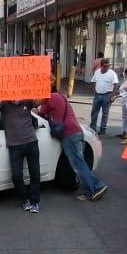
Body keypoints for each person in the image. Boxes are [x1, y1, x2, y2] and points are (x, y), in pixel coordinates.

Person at [37, 71, 109, 202]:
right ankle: (91, 190)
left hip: (69, 135)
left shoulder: (49, 98)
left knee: (78, 164)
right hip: (77, 131)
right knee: (79, 163)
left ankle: (97, 186)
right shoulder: (61, 96)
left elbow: (40, 114)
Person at [0, 92, 41, 213]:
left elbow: (41, 101)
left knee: (35, 174)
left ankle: (34, 201)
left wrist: (48, 86)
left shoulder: (27, 100)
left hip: (31, 142)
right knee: (17, 176)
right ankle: (25, 199)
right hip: (14, 145)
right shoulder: (4, 104)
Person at [88, 58, 120, 135]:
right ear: (101, 66)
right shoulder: (97, 72)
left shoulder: (112, 73)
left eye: (108, 66)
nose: (107, 68)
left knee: (105, 113)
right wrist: (94, 91)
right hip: (98, 94)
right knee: (94, 111)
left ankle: (103, 129)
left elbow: (116, 84)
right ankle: (93, 127)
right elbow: (92, 81)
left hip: (107, 94)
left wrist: (113, 95)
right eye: (105, 66)